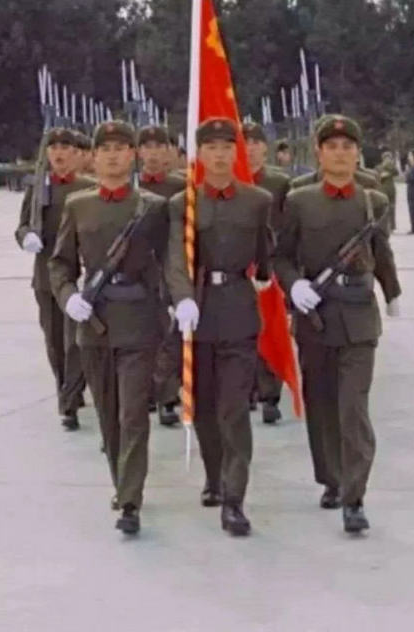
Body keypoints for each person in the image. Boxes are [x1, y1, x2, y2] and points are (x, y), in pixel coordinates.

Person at [275, 115, 401, 534]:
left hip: (359, 315)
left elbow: (381, 252)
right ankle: (331, 478)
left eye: (348, 147)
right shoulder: (299, 200)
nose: (341, 154)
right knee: (322, 404)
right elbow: (281, 255)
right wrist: (293, 286)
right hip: (317, 315)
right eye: (332, 146)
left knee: (353, 408)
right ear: (319, 152)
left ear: (358, 153)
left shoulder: (373, 201)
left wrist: (392, 292)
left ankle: (354, 495)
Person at [49, 121, 169, 536]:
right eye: (106, 149)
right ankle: (122, 482)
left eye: (121, 148)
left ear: (132, 156)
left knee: (133, 412)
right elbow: (61, 263)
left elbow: (169, 261)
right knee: (108, 414)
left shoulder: (152, 207)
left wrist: (176, 303)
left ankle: (131, 498)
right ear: (94, 158)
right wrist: (68, 296)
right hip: (94, 323)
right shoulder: (78, 206)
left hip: (138, 320)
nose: (114, 156)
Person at [166, 118, 273, 537]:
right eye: (211, 148)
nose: (220, 155)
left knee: (234, 409)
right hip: (198, 313)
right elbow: (176, 257)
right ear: (199, 155)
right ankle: (214, 474)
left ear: (236, 152)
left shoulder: (257, 201)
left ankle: (234, 499)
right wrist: (182, 298)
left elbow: (265, 253)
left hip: (238, 312)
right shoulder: (184, 203)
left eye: (227, 147)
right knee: (205, 407)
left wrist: (266, 277)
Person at [15, 128, 95, 430]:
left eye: (65, 147)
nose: (59, 153)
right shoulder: (38, 188)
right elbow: (22, 225)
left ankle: (69, 401)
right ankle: (66, 389)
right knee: (54, 341)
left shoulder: (88, 188)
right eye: (53, 148)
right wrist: (27, 237)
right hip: (45, 276)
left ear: (75, 153)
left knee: (75, 342)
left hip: (78, 276)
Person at [137, 125, 185, 426]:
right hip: (137, 270)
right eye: (147, 147)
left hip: (169, 267)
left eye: (159, 147)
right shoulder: (130, 186)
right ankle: (146, 393)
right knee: (143, 337)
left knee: (169, 335)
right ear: (138, 152)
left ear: (169, 151)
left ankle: (168, 398)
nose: (153, 153)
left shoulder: (181, 188)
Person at [243, 121, 290, 423]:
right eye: (244, 143)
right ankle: (247, 389)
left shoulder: (279, 183)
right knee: (241, 332)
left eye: (255, 143)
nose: (249, 149)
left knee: (270, 330)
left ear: (265, 147)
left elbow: (288, 225)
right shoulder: (228, 180)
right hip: (237, 265)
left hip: (269, 266)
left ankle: (270, 393)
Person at [375, 151, 398, 230]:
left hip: (391, 190)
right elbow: (376, 177)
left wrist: (388, 166)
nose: (387, 160)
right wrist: (382, 175)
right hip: (383, 190)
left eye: (389, 158)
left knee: (392, 208)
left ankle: (392, 226)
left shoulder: (392, 167)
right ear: (383, 159)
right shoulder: (378, 167)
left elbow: (397, 172)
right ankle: (385, 225)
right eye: (386, 158)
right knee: (384, 208)